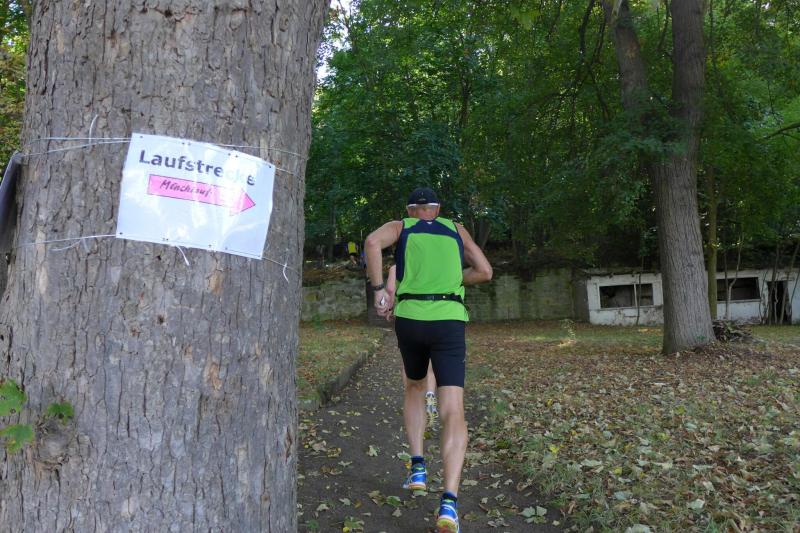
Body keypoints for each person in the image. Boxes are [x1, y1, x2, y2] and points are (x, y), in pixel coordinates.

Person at [364, 187, 492, 533]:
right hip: (449, 319)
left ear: (410, 210)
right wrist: (454, 279)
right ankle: (449, 503)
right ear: (437, 209)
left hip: (411, 319)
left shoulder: (401, 227)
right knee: (453, 409)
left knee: (415, 386)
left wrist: (378, 290)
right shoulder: (456, 229)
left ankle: (418, 468)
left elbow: (372, 242)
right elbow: (485, 271)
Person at [386, 265, 438, 428]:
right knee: (430, 363)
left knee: (408, 363)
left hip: (408, 315)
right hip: (434, 313)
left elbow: (390, 289)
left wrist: (389, 306)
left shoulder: (396, 266)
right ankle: (430, 395)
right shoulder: (428, 260)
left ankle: (414, 399)